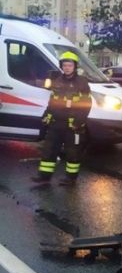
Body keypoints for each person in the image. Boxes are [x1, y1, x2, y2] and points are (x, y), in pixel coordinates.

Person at [33, 51, 92, 186]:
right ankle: (44, 177)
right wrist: (46, 115)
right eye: (64, 65)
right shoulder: (58, 81)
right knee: (49, 150)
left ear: (75, 66)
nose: (67, 67)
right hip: (56, 123)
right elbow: (52, 101)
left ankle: (71, 179)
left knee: (73, 153)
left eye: (70, 65)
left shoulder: (82, 82)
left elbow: (87, 105)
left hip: (73, 125)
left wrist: (79, 121)